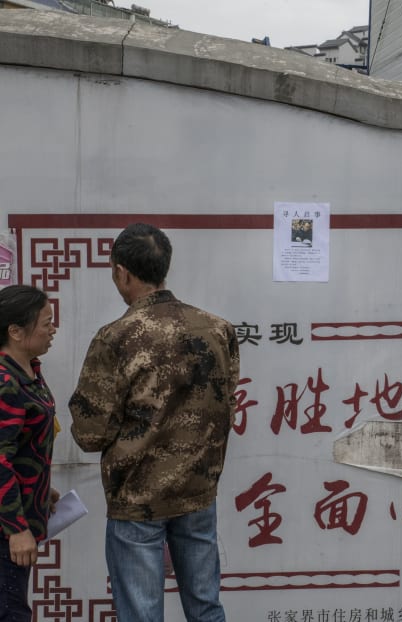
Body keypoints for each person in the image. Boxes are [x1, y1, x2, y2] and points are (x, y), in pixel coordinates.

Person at [69, 223, 240, 622]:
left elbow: (91, 433)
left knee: (142, 615)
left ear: (121, 272)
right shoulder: (218, 329)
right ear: (164, 267)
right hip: (198, 493)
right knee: (206, 608)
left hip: (137, 502)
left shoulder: (116, 338)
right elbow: (225, 399)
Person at [0, 285, 60, 621]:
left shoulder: (30, 374)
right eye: (46, 323)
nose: (52, 329)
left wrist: (40, 487)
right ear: (16, 331)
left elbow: (23, 446)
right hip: (7, 531)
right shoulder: (5, 381)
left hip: (23, 515)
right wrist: (16, 528)